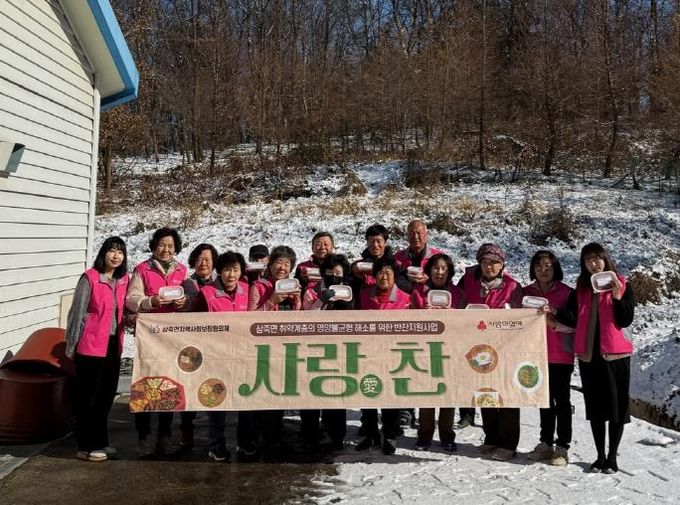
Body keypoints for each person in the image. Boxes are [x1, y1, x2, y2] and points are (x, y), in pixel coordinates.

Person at [550, 243, 635, 474]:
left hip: (616, 356)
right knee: (596, 409)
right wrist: (553, 312)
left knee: (616, 409)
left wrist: (617, 297)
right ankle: (599, 456)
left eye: (597, 258)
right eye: (588, 260)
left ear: (605, 259)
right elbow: (571, 318)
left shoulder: (622, 283)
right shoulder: (581, 289)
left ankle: (612, 458)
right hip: (589, 356)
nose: (593, 263)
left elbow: (626, 319)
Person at [125, 227, 188, 458]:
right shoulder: (143, 269)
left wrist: (183, 302)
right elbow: (131, 299)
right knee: (146, 385)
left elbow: (189, 296)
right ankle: (144, 438)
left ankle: (164, 436)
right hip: (149, 338)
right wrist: (150, 302)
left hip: (171, 339)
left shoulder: (182, 270)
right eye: (162, 245)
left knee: (168, 386)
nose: (166, 249)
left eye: (171, 246)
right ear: (154, 246)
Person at [66, 237, 129, 462]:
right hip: (91, 346)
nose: (116, 256)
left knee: (106, 396)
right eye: (112, 251)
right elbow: (77, 313)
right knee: (88, 398)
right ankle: (86, 445)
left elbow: (125, 311)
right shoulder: (90, 278)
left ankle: (100, 441)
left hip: (113, 345)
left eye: (120, 252)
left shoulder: (123, 281)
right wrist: (72, 344)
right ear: (103, 253)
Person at [458, 243, 523, 461]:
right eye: (485, 262)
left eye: (494, 262)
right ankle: (491, 437)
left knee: (507, 395)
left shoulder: (512, 286)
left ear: (502, 265)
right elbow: (459, 305)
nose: (489, 266)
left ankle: (508, 443)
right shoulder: (469, 282)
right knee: (485, 392)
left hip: (506, 349)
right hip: (478, 348)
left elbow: (522, 317)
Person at [196, 251, 251, 461]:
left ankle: (244, 442)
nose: (231, 275)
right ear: (219, 271)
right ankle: (216, 445)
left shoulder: (247, 290)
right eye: (227, 270)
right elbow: (197, 325)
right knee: (217, 401)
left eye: (235, 270)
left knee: (245, 399)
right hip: (216, 356)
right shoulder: (207, 293)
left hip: (243, 355)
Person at [248, 245, 301, 454]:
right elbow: (249, 319)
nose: (282, 267)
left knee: (279, 393)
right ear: (270, 265)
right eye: (279, 262)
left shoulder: (292, 287)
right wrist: (271, 301)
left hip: (284, 348)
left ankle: (274, 437)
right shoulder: (258, 286)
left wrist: (297, 300)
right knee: (261, 394)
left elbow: (299, 320)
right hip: (261, 349)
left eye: (287, 264)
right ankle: (255, 439)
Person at [524, 250, 575, 467]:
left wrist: (553, 319)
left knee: (562, 401)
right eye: (538, 266)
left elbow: (573, 323)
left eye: (548, 266)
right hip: (534, 354)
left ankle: (562, 447)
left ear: (556, 268)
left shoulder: (567, 293)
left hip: (560, 354)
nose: (543, 270)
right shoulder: (526, 293)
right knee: (543, 400)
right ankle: (545, 443)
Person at [410, 253, 465, 452]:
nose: (439, 272)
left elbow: (466, 321)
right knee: (427, 393)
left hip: (450, 349)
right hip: (425, 349)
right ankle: (424, 435)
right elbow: (408, 318)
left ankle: (447, 435)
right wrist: (422, 314)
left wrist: (451, 314)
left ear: (449, 272)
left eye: (444, 269)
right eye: (435, 268)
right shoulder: (418, 291)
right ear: (429, 271)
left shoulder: (458, 293)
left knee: (448, 394)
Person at [356, 257, 411, 455]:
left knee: (390, 395)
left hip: (393, 353)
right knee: (367, 390)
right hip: (367, 352)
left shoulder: (405, 299)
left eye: (388, 273)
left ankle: (389, 434)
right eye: (380, 272)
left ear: (395, 276)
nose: (384, 276)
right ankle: (370, 433)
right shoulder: (364, 295)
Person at [300, 254, 352, 451]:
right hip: (313, 349)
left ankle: (337, 436)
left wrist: (345, 305)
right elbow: (305, 318)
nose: (334, 277)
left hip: (339, 349)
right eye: (330, 273)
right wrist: (321, 300)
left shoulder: (348, 292)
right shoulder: (311, 291)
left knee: (336, 392)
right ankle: (309, 434)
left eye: (338, 273)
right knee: (311, 393)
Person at [178, 243, 218, 450]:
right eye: (200, 259)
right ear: (193, 261)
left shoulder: (220, 282)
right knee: (190, 387)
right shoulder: (187, 283)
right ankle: (186, 430)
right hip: (192, 342)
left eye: (208, 260)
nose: (204, 264)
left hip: (216, 344)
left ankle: (215, 435)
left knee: (214, 387)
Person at [394, 219, 443, 291]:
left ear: (426, 235)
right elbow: (390, 280)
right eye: (411, 233)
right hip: (405, 296)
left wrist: (431, 278)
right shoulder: (398, 257)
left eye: (418, 233)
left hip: (429, 296)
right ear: (407, 236)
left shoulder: (438, 257)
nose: (415, 236)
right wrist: (405, 278)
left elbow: (447, 281)